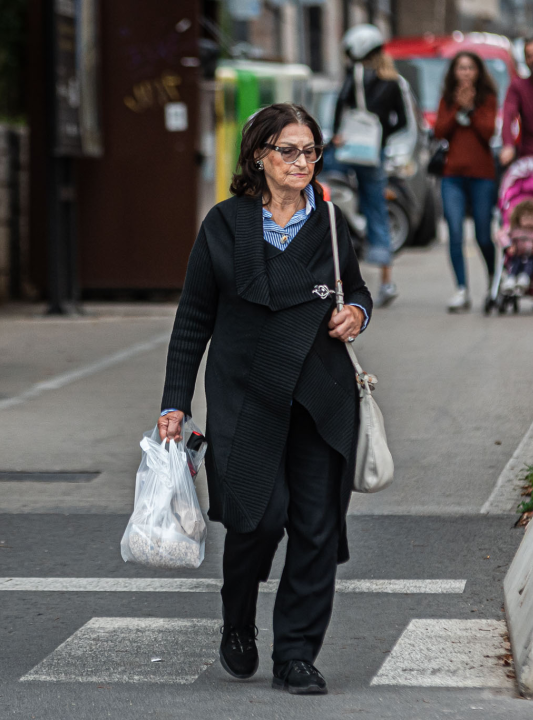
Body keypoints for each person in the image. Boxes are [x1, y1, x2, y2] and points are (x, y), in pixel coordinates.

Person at [158, 104, 372, 696]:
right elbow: (194, 317)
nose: (302, 162)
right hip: (246, 395)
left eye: (310, 151)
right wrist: (174, 402)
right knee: (259, 518)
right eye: (289, 151)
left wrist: (357, 311)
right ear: (260, 156)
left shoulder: (329, 225)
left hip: (320, 400)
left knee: (316, 527)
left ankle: (297, 654)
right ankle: (238, 619)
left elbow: (355, 288)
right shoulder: (224, 225)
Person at [331, 23, 407, 308]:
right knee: (377, 211)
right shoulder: (392, 81)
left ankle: (339, 273)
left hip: (348, 154)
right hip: (374, 157)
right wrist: (380, 137)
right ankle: (386, 281)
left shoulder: (355, 78)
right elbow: (401, 121)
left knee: (330, 201)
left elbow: (340, 111)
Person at [434, 51, 499, 313]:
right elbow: (439, 131)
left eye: (470, 68)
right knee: (456, 234)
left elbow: (488, 132)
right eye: (461, 68)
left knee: (483, 235)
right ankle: (461, 289)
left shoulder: (488, 99)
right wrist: (457, 108)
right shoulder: (447, 99)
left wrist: (471, 108)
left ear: (478, 72)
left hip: (482, 177)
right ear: (454, 72)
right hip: (453, 177)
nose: (466, 73)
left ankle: (496, 282)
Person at [499, 38, 533, 167]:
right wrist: (508, 144)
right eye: (529, 56)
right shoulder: (519, 86)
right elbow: (508, 115)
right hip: (528, 159)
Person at [497, 199, 533, 295]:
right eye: (525, 218)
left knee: (530, 263)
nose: (528, 221)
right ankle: (511, 279)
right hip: (518, 255)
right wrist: (508, 245)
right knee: (515, 263)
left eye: (531, 218)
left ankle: (524, 278)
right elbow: (501, 235)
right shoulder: (514, 231)